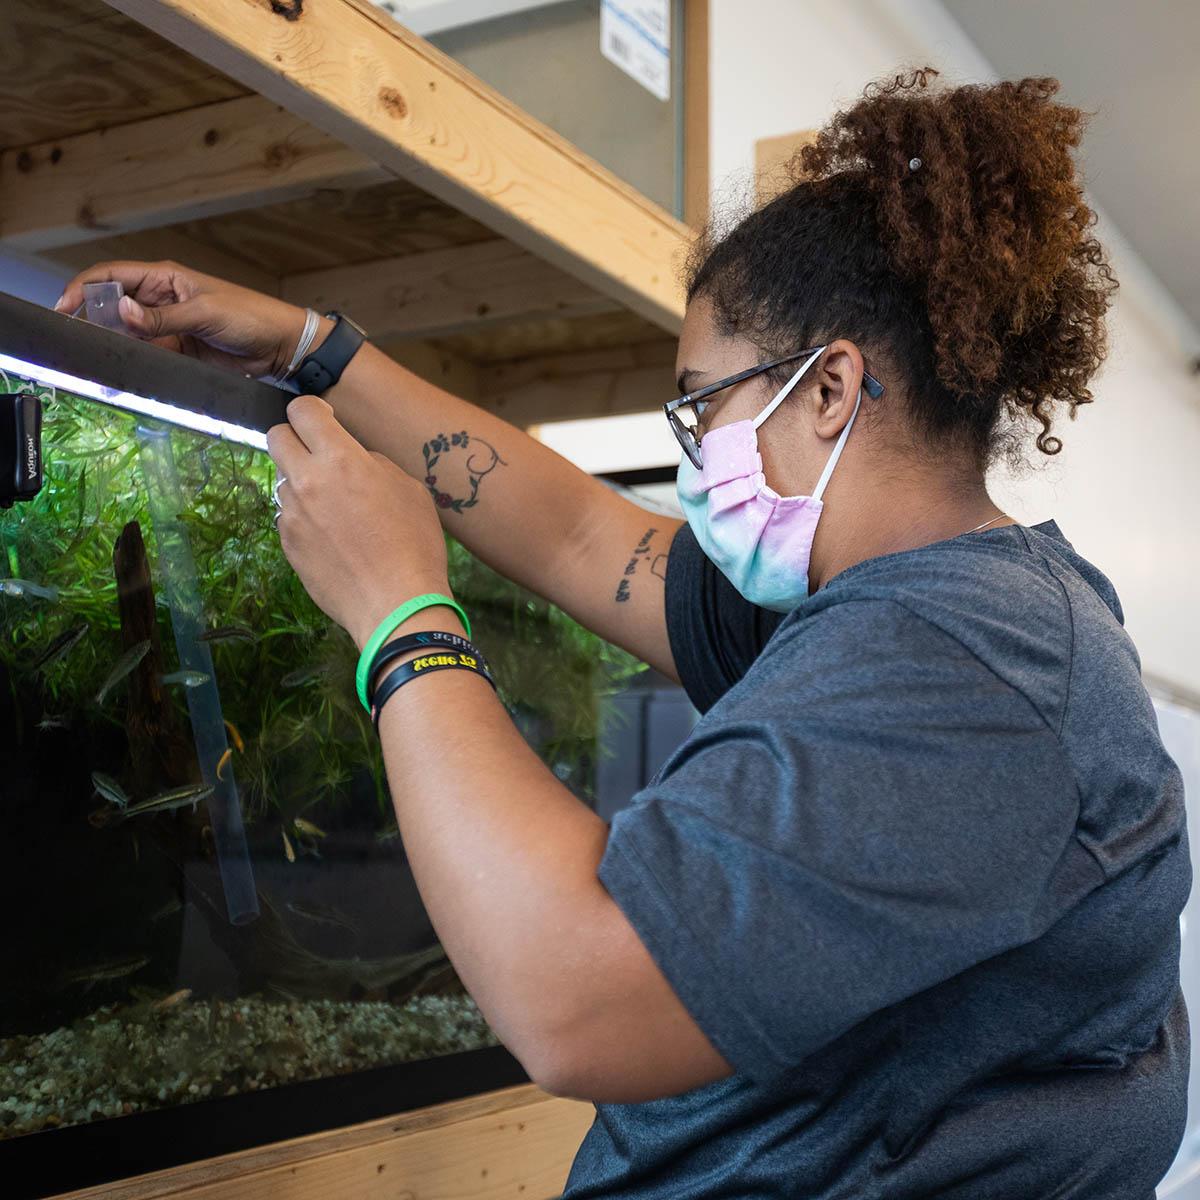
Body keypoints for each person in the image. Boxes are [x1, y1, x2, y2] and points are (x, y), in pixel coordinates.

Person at [56, 67, 1189, 1198]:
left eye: (700, 405)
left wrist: (402, 615)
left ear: (830, 389)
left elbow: (577, 997)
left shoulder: (967, 662)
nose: (695, 453)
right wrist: (312, 349)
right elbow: (579, 541)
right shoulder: (888, 607)